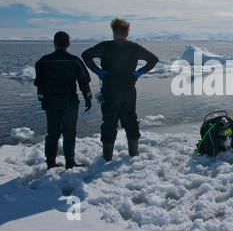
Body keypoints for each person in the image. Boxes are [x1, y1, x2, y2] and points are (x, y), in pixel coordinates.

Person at [81, 18, 159, 161]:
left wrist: (96, 70)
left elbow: (85, 55)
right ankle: (133, 154)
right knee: (130, 120)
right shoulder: (134, 47)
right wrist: (139, 72)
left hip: (109, 90)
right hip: (128, 90)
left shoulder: (104, 46)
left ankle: (107, 157)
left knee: (109, 122)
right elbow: (153, 59)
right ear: (127, 33)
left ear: (113, 32)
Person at [34, 31, 92, 170]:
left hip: (51, 102)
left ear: (54, 44)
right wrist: (88, 98)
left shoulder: (43, 61)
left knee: (52, 132)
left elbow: (40, 85)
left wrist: (42, 100)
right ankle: (70, 162)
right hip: (69, 102)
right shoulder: (74, 61)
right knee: (69, 132)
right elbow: (84, 81)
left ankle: (50, 162)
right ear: (69, 44)